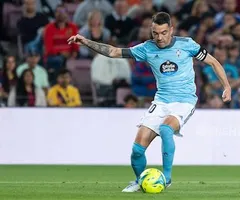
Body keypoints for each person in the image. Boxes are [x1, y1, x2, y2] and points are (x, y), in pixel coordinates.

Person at [68, 12, 231, 192]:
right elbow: (113, 52)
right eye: (155, 33)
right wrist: (86, 42)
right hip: (161, 101)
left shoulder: (188, 45)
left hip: (184, 101)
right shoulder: (147, 48)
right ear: (151, 31)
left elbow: (214, 62)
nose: (159, 37)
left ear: (171, 30)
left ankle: (167, 178)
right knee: (137, 150)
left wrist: (227, 86)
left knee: (166, 129)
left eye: (163, 33)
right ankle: (140, 181)